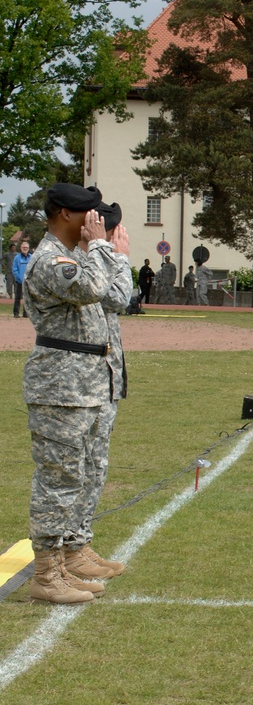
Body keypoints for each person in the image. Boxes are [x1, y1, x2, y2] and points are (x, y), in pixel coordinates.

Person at [22, 183, 120, 604]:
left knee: (79, 473)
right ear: (65, 214)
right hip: (60, 385)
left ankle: (65, 560)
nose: (96, 220)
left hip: (83, 381)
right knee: (58, 479)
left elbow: (112, 295)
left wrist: (95, 248)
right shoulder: (49, 260)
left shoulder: (71, 257)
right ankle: (46, 574)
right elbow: (93, 289)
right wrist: (100, 246)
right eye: (90, 213)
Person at [66, 201, 132, 584]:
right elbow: (118, 298)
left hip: (104, 378)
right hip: (82, 382)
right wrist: (117, 257)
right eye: (110, 230)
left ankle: (79, 543)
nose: (115, 237)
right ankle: (70, 549)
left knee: (95, 467)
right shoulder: (82, 261)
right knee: (79, 468)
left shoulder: (96, 259)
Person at [12, 240, 32, 317]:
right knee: (18, 298)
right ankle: (16, 313)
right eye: (23, 247)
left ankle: (25, 313)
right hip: (19, 281)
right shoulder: (17, 258)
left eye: (26, 247)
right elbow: (15, 269)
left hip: (28, 281)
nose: (25, 248)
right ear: (21, 248)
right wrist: (19, 278)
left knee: (27, 299)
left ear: (28, 248)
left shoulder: (31, 257)